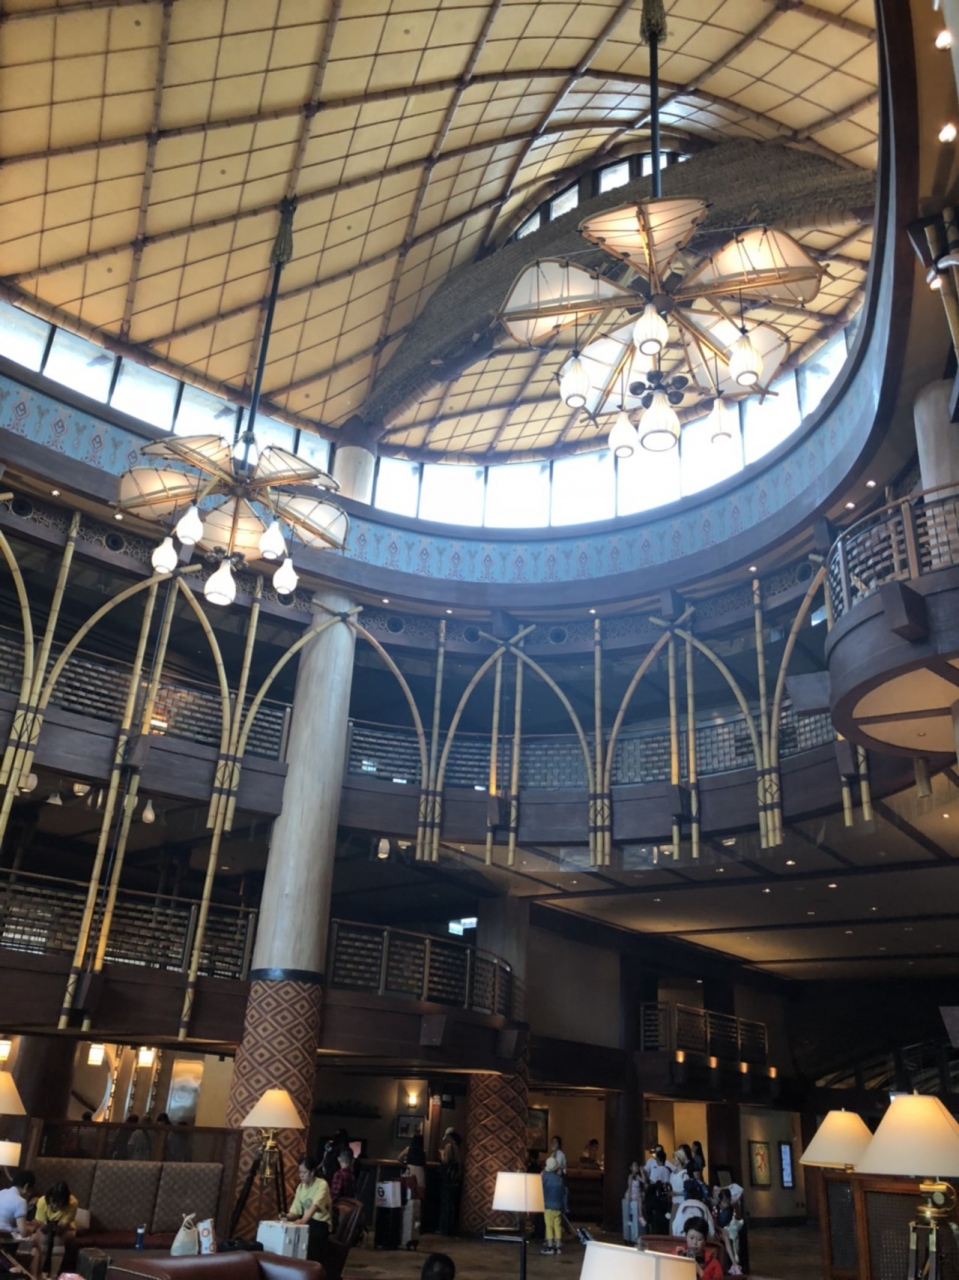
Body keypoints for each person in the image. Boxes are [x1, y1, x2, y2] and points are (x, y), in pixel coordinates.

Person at [286, 1155, 333, 1260]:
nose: (301, 1176)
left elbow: (315, 1206)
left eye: (304, 1173)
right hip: (308, 1222)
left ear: (312, 1172)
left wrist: (303, 1221)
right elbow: (295, 1211)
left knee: (308, 1239)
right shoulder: (300, 1187)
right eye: (300, 1173)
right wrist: (286, 1217)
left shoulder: (322, 1184)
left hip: (321, 1223)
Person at [31, 1182, 78, 1279]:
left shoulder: (72, 1203)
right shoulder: (42, 1202)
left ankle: (53, 1275)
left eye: (59, 1203)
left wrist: (58, 1227)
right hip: (45, 1227)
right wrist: (47, 1226)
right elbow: (41, 1226)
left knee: (58, 1238)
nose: (55, 1206)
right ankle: (40, 1273)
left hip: (65, 1228)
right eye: (53, 1202)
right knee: (44, 1237)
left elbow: (64, 1227)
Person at [438, 1128, 462, 1235]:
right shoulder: (459, 1147)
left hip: (448, 1178)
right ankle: (452, 1229)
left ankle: (444, 1228)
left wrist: (442, 1154)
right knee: (453, 1204)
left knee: (446, 1203)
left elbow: (446, 1161)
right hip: (456, 1178)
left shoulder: (449, 1147)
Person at [540, 1156, 564, 1255]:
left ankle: (550, 1247)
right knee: (557, 1226)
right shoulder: (559, 1179)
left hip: (548, 1206)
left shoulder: (545, 1176)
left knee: (549, 1226)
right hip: (558, 1206)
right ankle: (558, 1247)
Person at [0, 1170, 35, 1236]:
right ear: (26, 1186)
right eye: (30, 1190)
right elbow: (23, 1232)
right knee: (35, 1238)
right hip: (3, 1236)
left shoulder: (1, 1192)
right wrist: (32, 1229)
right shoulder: (20, 1201)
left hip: (4, 1232)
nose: (29, 1194)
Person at [622, 1160, 645, 1245]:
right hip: (632, 1193)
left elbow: (643, 1181)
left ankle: (640, 1216)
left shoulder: (637, 1176)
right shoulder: (631, 1176)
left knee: (640, 1196)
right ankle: (640, 1216)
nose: (636, 1167)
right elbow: (629, 1187)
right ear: (631, 1168)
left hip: (637, 1193)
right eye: (634, 1166)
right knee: (639, 1198)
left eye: (637, 1166)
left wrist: (642, 1172)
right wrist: (629, 1198)